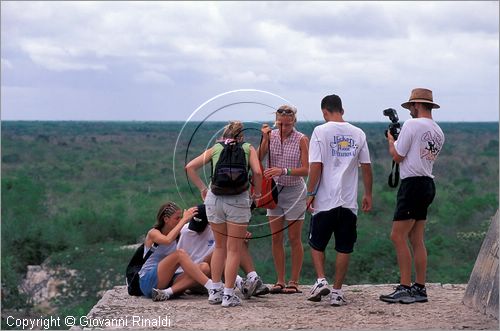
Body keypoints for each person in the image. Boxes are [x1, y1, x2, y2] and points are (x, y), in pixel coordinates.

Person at [185, 121, 262, 307]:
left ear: (224, 135)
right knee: (233, 249)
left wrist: (203, 188)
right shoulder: (247, 148)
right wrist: (257, 194)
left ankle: (216, 292)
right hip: (238, 200)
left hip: (214, 198)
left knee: (219, 247)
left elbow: (189, 167)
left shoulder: (215, 148)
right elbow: (258, 172)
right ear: (241, 136)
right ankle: (229, 295)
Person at [306, 94, 373, 306]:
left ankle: (321, 279)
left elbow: (315, 166)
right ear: (342, 110)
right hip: (348, 201)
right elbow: (367, 167)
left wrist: (310, 193)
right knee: (344, 247)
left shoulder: (320, 131)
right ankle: (337, 291)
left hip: (326, 200)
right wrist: (368, 193)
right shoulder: (358, 133)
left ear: (324, 112)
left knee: (317, 243)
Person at [379, 88, 445, 304]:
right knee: (416, 238)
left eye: (411, 107)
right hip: (427, 183)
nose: (409, 111)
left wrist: (391, 141)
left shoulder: (412, 125)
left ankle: (405, 287)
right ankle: (420, 287)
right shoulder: (438, 130)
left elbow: (398, 156)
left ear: (416, 105)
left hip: (412, 184)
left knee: (397, 236)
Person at [258, 105, 309, 294]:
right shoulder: (270, 136)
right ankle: (279, 280)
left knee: (295, 238)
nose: (284, 127)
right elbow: (257, 158)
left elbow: (306, 169)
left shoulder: (301, 139)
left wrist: (283, 170)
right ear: (275, 121)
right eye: (280, 123)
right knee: (276, 237)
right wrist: (264, 139)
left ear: (294, 122)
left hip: (294, 190)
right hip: (274, 191)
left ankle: (294, 281)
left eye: (288, 124)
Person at [176, 204, 269, 298]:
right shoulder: (184, 230)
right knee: (211, 260)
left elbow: (234, 253)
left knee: (235, 240)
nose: (196, 229)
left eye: (201, 225)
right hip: (194, 275)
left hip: (211, 274)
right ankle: (240, 283)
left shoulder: (217, 230)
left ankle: (252, 277)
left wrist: (244, 240)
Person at [138, 202, 215, 301]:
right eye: (177, 218)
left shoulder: (178, 233)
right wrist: (183, 220)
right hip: (148, 281)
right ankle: (212, 287)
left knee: (204, 267)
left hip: (168, 280)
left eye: (180, 217)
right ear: (166, 219)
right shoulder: (153, 233)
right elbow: (167, 240)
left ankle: (167, 293)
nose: (179, 220)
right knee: (180, 254)